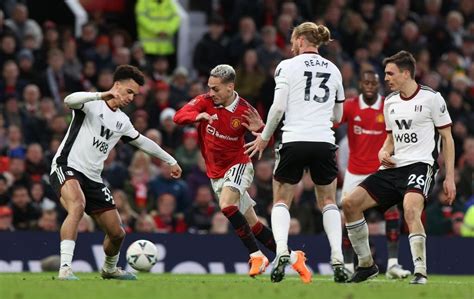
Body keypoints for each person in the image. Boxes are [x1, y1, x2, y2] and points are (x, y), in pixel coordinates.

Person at [174, 64, 311, 283]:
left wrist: (262, 128)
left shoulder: (245, 111)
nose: (211, 93)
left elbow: (267, 141)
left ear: (230, 87)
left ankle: (257, 256)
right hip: (216, 173)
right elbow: (179, 116)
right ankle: (295, 257)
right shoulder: (205, 102)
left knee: (227, 206)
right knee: (254, 225)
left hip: (238, 165)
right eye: (209, 87)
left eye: (216, 89)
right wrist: (197, 116)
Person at [49, 65, 182, 280]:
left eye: (135, 94)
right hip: (67, 166)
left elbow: (142, 142)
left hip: (93, 177)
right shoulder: (92, 104)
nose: (131, 97)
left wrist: (170, 160)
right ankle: (65, 268)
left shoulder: (122, 121)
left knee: (117, 233)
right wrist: (101, 94)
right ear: (117, 86)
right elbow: (68, 101)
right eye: (129, 91)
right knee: (77, 207)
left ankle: (109, 269)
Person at [244, 22, 348, 283]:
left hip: (293, 140)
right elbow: (338, 115)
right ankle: (337, 257)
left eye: (293, 40)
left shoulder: (287, 66)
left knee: (281, 199)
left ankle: (281, 251)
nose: (292, 45)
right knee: (328, 201)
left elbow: (278, 107)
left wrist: (264, 138)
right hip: (324, 141)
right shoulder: (334, 69)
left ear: (301, 40)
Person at [341, 51, 455, 284]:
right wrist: (383, 151)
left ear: (406, 73)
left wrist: (449, 177)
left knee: (410, 208)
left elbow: (447, 137)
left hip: (421, 165)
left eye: (390, 73)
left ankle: (420, 271)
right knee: (350, 204)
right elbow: (391, 139)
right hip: (393, 167)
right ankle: (366, 265)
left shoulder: (432, 98)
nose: (386, 78)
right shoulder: (390, 102)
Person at [339, 70, 411, 279]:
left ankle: (392, 265)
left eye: (373, 83)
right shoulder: (350, 106)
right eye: (366, 82)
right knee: (348, 215)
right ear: (360, 83)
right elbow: (332, 122)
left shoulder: (387, 106)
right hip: (354, 172)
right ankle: (348, 265)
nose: (370, 86)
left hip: (380, 171)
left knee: (392, 214)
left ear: (378, 85)